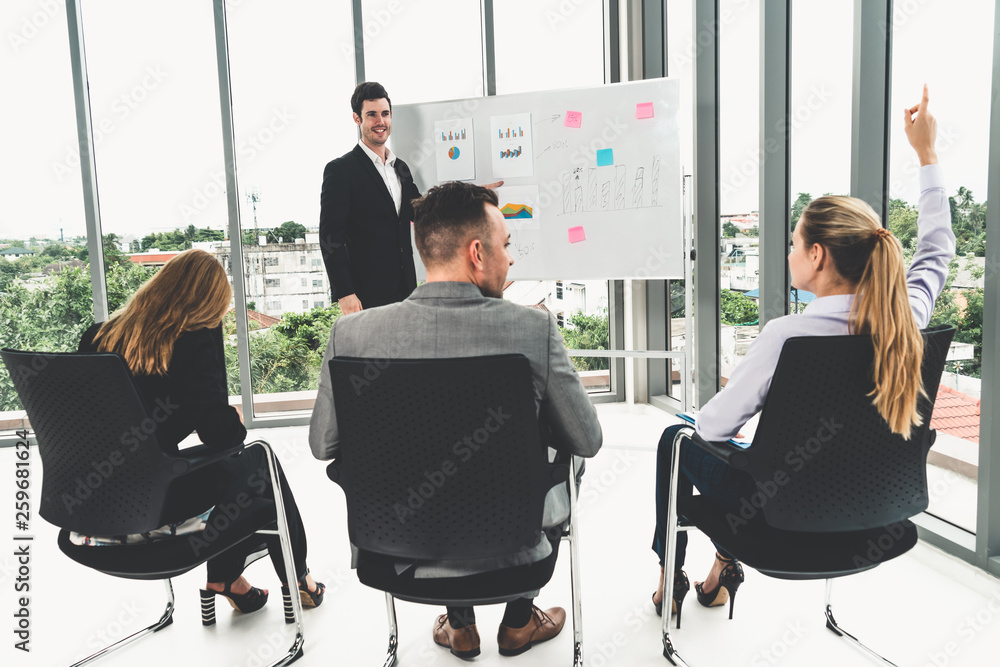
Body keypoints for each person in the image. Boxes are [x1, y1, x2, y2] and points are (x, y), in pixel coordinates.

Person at [650, 85, 954, 623]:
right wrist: (927, 154)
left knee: (677, 438)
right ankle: (720, 574)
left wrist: (732, 427)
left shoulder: (787, 335)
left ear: (816, 255)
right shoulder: (908, 321)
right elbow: (937, 252)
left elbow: (716, 428)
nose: (789, 252)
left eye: (794, 243)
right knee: (750, 452)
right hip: (874, 516)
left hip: (776, 523)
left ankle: (668, 578)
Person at [309, 181, 603, 658]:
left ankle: (459, 624)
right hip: (516, 554)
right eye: (505, 247)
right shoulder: (532, 329)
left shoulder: (352, 336)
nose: (510, 260)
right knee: (565, 457)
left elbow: (323, 446)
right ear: (476, 253)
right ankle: (518, 619)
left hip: (394, 554)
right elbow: (586, 440)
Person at [78, 249, 325, 617]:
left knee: (238, 474)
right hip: (156, 504)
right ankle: (296, 578)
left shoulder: (97, 337)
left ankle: (228, 580)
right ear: (208, 305)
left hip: (94, 503)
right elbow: (222, 438)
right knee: (260, 463)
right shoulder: (192, 341)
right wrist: (233, 417)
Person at [319, 81, 421, 314]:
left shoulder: (400, 168)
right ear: (357, 118)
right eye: (372, 115)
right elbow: (330, 235)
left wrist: (469, 196)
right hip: (365, 296)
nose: (380, 122)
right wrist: (344, 293)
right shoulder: (341, 170)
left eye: (385, 114)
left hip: (407, 292)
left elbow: (422, 209)